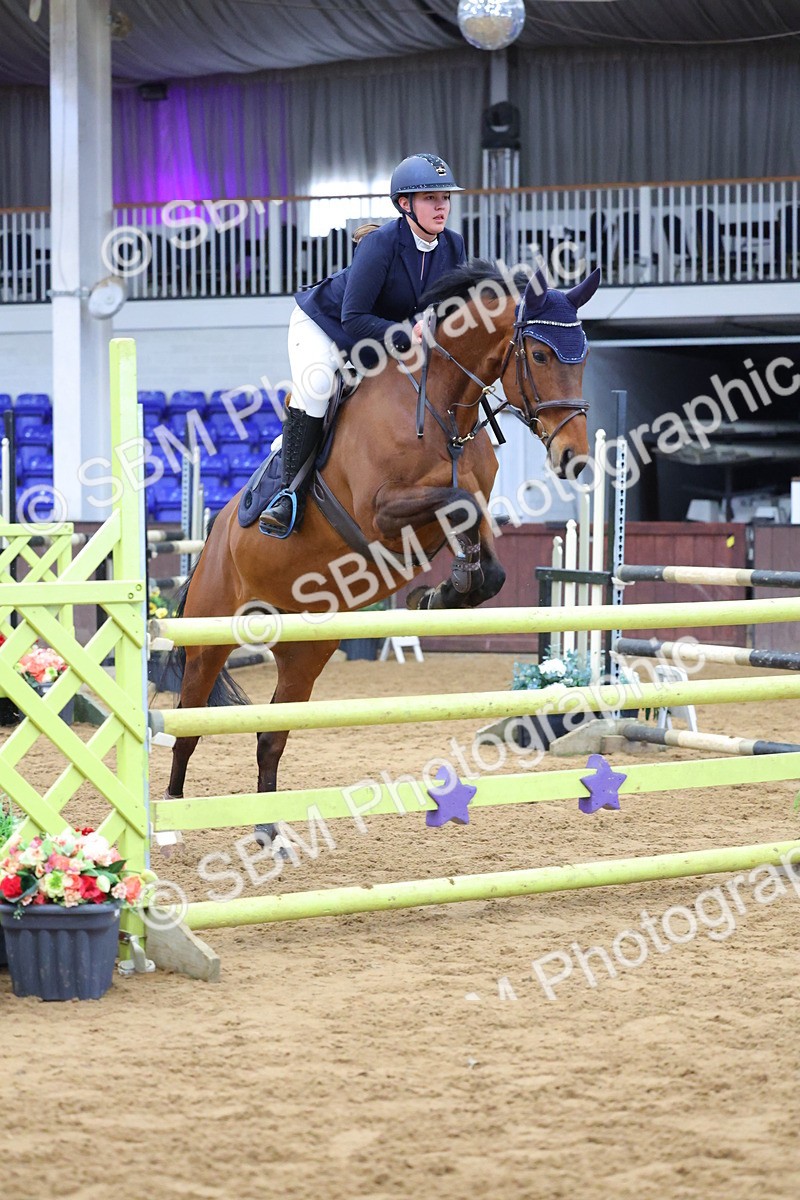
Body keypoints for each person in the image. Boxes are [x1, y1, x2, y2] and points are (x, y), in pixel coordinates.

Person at [259, 152, 466, 537]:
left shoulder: (453, 248)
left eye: (445, 198)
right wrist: (409, 333)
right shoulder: (380, 246)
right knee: (318, 390)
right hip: (324, 326)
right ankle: (287, 495)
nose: (441, 206)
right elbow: (352, 318)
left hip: (381, 334)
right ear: (405, 204)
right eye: (430, 198)